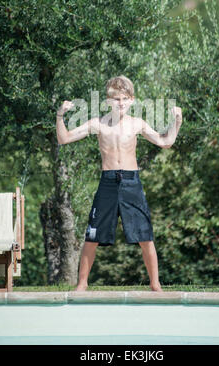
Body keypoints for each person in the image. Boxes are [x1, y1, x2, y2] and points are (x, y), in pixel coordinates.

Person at [56, 75, 182, 291]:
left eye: (124, 99)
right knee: (92, 236)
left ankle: (155, 284)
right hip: (108, 182)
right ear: (107, 101)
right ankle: (82, 284)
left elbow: (165, 142)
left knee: (145, 235)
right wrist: (60, 116)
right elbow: (64, 138)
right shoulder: (98, 124)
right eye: (116, 99)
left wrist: (177, 122)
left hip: (132, 182)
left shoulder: (137, 124)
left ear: (132, 100)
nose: (120, 103)